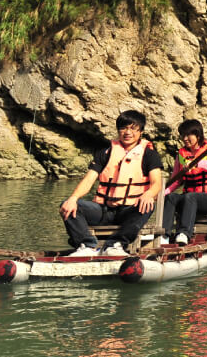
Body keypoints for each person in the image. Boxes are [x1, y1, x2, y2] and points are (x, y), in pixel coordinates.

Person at [59, 109, 163, 257]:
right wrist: (73, 198)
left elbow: (156, 183)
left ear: (141, 132)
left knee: (147, 206)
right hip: (103, 211)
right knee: (67, 205)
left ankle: (116, 244)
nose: (128, 132)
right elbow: (89, 180)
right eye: (124, 128)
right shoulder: (105, 153)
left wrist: (149, 194)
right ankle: (87, 245)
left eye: (133, 128)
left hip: (129, 210)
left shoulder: (149, 155)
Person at [162, 119, 207, 245]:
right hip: (189, 199)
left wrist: (196, 164)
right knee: (171, 197)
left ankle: (184, 233)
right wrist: (162, 193)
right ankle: (164, 235)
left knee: (190, 197)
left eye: (188, 135)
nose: (185, 138)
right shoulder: (181, 154)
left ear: (198, 135)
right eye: (182, 135)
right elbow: (176, 179)